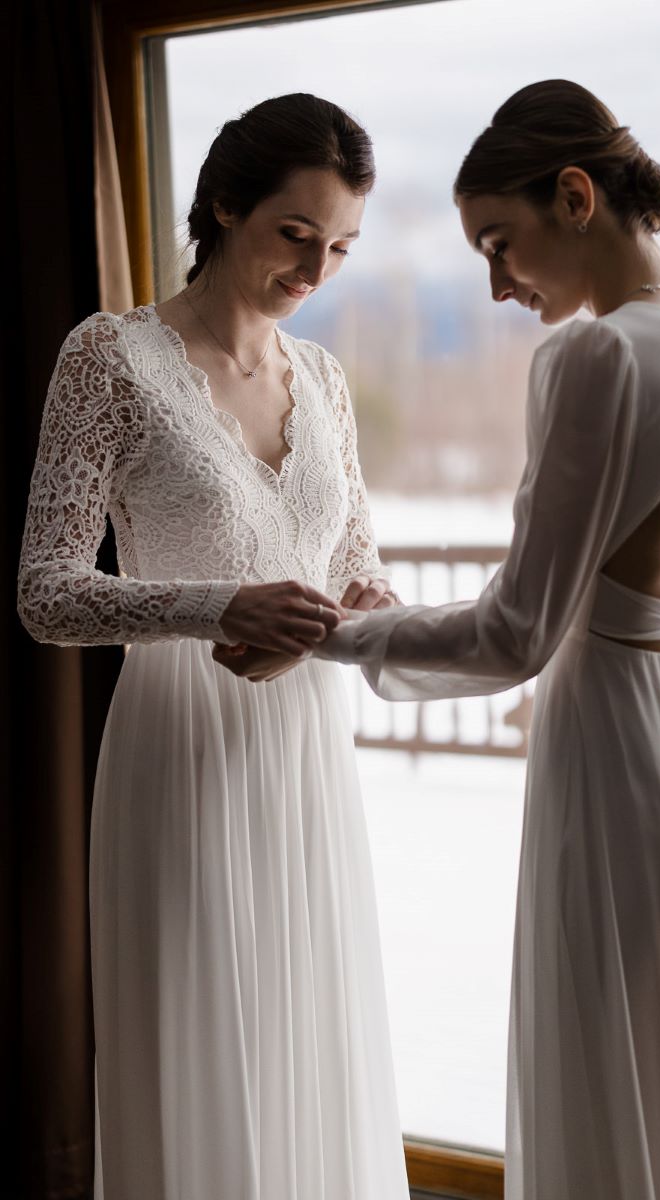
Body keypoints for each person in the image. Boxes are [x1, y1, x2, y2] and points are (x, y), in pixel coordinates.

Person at [216, 80, 660, 1199]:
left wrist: (332, 632)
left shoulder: (595, 358)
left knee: (596, 1048)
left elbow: (515, 632)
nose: (493, 284)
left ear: (574, 196)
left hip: (614, 753)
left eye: (499, 243)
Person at [17, 93, 409, 1200]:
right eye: (296, 234)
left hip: (302, 758)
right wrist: (218, 607)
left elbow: (357, 576)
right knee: (200, 1041)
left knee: (308, 1031)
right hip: (175, 749)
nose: (317, 267)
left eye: (339, 246)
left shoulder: (322, 379)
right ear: (225, 204)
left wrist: (463, 623)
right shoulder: (109, 358)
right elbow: (47, 595)